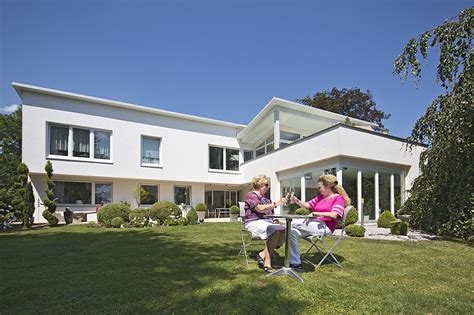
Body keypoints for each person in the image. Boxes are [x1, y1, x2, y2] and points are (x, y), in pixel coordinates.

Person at [288, 174, 351, 268]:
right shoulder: (321, 198)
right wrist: (296, 200)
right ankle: (295, 262)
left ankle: (283, 226)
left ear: (328, 186)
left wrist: (315, 214)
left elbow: (334, 215)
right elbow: (306, 205)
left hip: (325, 227)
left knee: (293, 223)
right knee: (292, 232)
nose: (318, 189)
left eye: (319, 187)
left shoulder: (338, 198)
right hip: (313, 225)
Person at [244, 175, 289, 273]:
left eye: (267, 185)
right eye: (266, 185)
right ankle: (267, 262)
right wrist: (276, 204)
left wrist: (274, 220)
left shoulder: (266, 198)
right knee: (274, 231)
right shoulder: (251, 195)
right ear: (259, 185)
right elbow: (259, 208)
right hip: (253, 221)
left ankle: (262, 254)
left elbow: (270, 213)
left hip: (266, 222)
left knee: (284, 229)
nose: (267, 187)